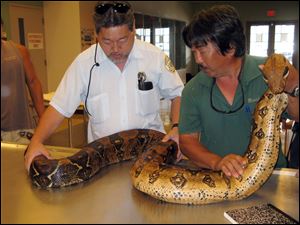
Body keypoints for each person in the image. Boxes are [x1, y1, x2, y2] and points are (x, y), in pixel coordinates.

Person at [24, 1, 184, 171]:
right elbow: (58, 107)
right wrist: (36, 141)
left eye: (122, 39)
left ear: (133, 29)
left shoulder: (154, 57)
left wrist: (177, 128)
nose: (115, 48)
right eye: (106, 41)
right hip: (102, 162)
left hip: (152, 158)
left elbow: (178, 94)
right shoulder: (84, 64)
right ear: (96, 35)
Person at [179, 5, 299, 178]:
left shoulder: (268, 72)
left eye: (203, 51)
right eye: (194, 51)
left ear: (230, 47)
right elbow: (187, 141)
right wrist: (217, 162)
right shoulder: (193, 89)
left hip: (272, 177)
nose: (197, 59)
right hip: (217, 178)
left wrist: (294, 87)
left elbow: (296, 116)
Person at [1, 18, 45, 144]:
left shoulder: (19, 51)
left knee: (25, 162)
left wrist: (43, 118)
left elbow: (33, 82)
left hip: (22, 127)